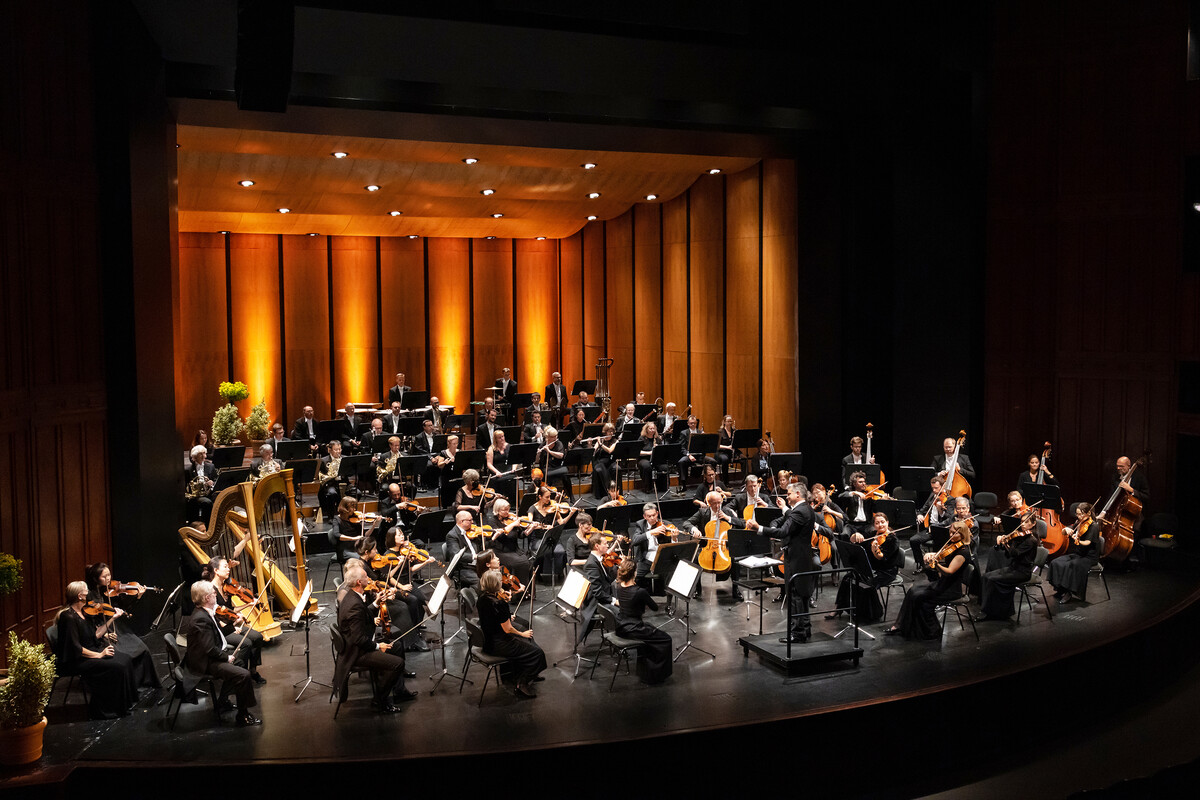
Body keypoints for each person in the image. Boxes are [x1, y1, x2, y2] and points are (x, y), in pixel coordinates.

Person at [334, 565, 416, 712]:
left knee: (397, 646)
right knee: (398, 663)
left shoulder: (352, 596)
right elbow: (358, 639)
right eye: (366, 577)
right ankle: (380, 700)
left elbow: (363, 614)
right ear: (359, 582)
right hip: (357, 654)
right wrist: (378, 646)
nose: (369, 579)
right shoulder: (354, 605)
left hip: (357, 646)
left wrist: (376, 603)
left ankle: (399, 691)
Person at [55, 581, 137, 719]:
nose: (89, 593)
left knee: (126, 659)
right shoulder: (68, 617)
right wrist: (99, 655)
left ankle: (123, 704)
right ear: (80, 595)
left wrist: (112, 618)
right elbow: (75, 648)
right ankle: (107, 709)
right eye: (86, 590)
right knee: (117, 667)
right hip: (78, 659)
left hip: (91, 650)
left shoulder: (84, 612)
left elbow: (96, 634)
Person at [183, 580, 260, 725]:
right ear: (207, 598)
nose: (215, 596)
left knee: (240, 663)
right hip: (204, 663)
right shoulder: (200, 619)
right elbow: (209, 649)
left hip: (209, 657)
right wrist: (227, 657)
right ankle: (243, 716)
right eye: (213, 593)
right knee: (243, 675)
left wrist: (233, 624)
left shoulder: (205, 613)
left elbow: (218, 634)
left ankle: (223, 701)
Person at [885, 520, 973, 639]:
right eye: (950, 533)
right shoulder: (952, 546)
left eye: (955, 534)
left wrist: (936, 565)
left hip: (951, 589)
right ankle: (900, 625)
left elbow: (949, 572)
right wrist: (931, 554)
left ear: (962, 535)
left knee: (919, 597)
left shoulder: (963, 553)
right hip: (943, 584)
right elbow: (942, 555)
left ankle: (930, 631)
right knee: (912, 590)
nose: (951, 535)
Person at [83, 562, 160, 688]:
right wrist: (105, 634)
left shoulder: (109, 591)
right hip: (103, 630)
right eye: (104, 577)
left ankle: (143, 682)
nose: (108, 579)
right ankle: (129, 686)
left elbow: (123, 607)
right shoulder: (89, 595)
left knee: (143, 649)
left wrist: (138, 596)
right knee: (125, 656)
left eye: (109, 575)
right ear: (95, 579)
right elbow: (87, 621)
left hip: (116, 625)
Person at [477, 569, 545, 698]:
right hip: (499, 644)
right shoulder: (499, 603)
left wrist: (506, 615)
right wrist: (522, 634)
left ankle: (516, 674)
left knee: (529, 642)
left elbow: (495, 618)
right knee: (538, 653)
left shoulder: (482, 598)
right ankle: (522, 683)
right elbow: (508, 629)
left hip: (488, 641)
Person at [198, 557, 267, 683]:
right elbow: (213, 616)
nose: (228, 569)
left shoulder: (226, 587)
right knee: (246, 643)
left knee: (257, 637)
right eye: (225, 566)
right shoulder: (209, 590)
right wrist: (233, 626)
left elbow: (230, 610)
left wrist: (250, 604)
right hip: (220, 629)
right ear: (216, 570)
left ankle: (253, 671)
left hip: (231, 624)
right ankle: (240, 674)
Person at [764, 482, 815, 643]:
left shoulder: (800, 511)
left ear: (798, 494)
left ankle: (798, 633)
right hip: (802, 556)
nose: (787, 496)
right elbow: (792, 518)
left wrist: (759, 528)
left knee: (795, 594)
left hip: (796, 557)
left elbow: (783, 531)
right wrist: (785, 508)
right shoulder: (804, 509)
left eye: (789, 493)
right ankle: (805, 629)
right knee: (802, 595)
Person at [830, 511, 902, 624]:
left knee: (866, 584)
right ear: (874, 525)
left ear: (887, 522)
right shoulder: (872, 534)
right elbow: (857, 541)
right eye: (877, 523)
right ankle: (838, 607)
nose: (880, 525)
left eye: (883, 522)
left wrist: (875, 550)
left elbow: (881, 558)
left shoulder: (892, 540)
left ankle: (871, 613)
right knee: (848, 577)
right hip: (871, 568)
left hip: (886, 571)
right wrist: (855, 536)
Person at [684, 490, 757, 601]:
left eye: (720, 502)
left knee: (734, 561)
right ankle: (697, 590)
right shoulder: (702, 513)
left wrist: (728, 518)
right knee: (695, 560)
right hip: (707, 545)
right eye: (715, 503)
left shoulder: (727, 511)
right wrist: (694, 529)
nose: (718, 506)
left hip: (724, 546)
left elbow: (743, 524)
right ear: (709, 503)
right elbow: (687, 523)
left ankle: (735, 589)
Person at [613, 558, 673, 684]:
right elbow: (655, 608)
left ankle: (646, 672)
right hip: (634, 628)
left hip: (621, 626)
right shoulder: (640, 591)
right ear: (634, 573)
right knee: (666, 639)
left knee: (650, 635)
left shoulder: (618, 586)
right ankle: (657, 674)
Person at [980, 513, 1038, 621]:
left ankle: (989, 612)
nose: (1023, 524)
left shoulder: (1031, 541)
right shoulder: (1021, 537)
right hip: (1013, 568)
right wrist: (1002, 542)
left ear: (1033, 524)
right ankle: (990, 609)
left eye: (1026, 522)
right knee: (985, 576)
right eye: (1022, 522)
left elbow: (1014, 553)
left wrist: (1007, 542)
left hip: (1022, 572)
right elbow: (1008, 553)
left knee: (992, 580)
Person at [1047, 503, 1100, 604]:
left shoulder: (1093, 526)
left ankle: (1068, 592)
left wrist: (1078, 540)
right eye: (1077, 514)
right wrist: (1065, 529)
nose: (1079, 517)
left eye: (1081, 514)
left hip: (1089, 557)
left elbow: (1087, 543)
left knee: (1071, 565)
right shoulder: (1079, 523)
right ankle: (1060, 589)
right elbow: (1063, 533)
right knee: (1056, 562)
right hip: (1078, 554)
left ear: (1088, 513)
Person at [909, 476, 950, 574]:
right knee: (913, 540)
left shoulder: (949, 499)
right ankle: (921, 564)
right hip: (930, 529)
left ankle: (938, 567)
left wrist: (942, 510)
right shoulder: (933, 495)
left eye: (936, 488)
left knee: (937, 547)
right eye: (933, 488)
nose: (934, 490)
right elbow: (924, 508)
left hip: (942, 530)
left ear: (943, 486)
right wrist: (919, 515)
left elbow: (950, 518)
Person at [185, 444, 217, 521]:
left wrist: (211, 483)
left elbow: (216, 479)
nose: (203, 456)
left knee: (219, 498)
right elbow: (187, 485)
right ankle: (206, 524)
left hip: (209, 493)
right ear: (195, 457)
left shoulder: (211, 466)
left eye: (204, 453)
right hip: (196, 496)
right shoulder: (188, 470)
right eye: (200, 454)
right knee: (207, 502)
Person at [590, 422, 618, 499]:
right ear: (605, 432)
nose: (611, 433)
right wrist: (590, 444)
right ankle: (604, 493)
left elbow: (609, 451)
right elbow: (593, 452)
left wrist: (601, 444)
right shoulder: (601, 440)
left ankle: (613, 491)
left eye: (612, 431)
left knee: (616, 468)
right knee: (599, 469)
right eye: (609, 431)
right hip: (600, 461)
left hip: (610, 461)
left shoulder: (615, 441)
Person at [637, 422, 664, 495]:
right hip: (643, 459)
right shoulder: (642, 438)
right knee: (647, 466)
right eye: (650, 428)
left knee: (663, 467)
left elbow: (662, 450)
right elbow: (637, 452)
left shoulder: (657, 438)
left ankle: (662, 487)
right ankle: (648, 487)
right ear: (646, 429)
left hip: (655, 459)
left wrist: (657, 448)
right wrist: (649, 453)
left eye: (654, 428)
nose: (652, 430)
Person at [715, 415, 737, 482]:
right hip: (721, 452)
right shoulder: (720, 432)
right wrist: (727, 447)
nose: (730, 423)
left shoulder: (734, 431)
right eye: (728, 421)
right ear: (724, 422)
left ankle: (744, 481)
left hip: (731, 452)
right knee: (725, 459)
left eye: (731, 421)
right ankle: (725, 481)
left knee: (744, 458)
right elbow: (717, 445)